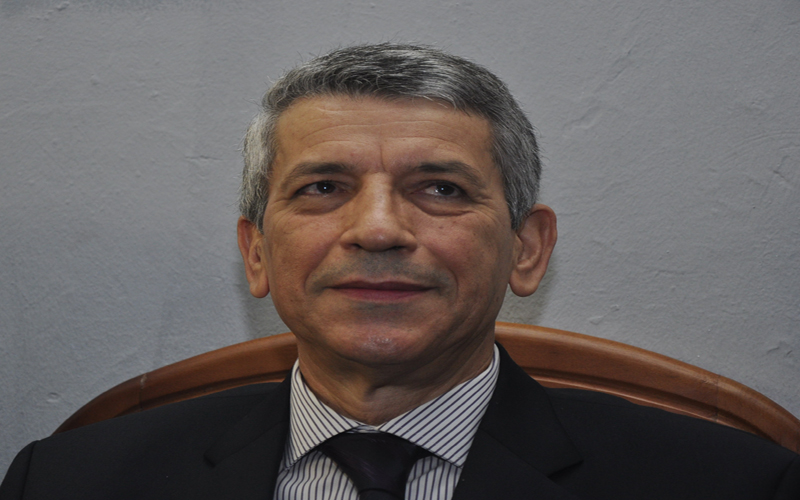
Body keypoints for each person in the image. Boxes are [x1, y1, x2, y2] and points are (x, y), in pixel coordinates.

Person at [1, 43, 799, 500]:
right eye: (323, 188)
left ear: (527, 249)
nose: (378, 229)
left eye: (440, 189)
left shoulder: (735, 486)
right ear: (256, 252)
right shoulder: (67, 483)